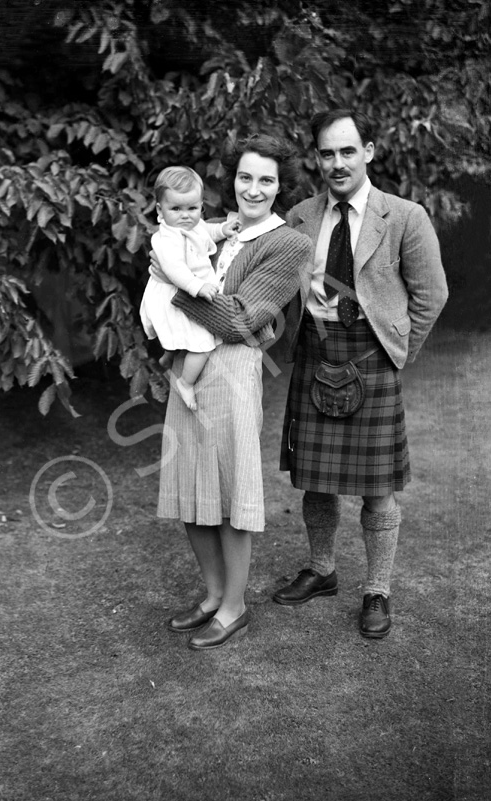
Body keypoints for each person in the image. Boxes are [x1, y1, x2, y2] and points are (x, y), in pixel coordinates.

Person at [275, 108, 449, 638]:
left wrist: (398, 351)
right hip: (316, 352)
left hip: (373, 359)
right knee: (315, 479)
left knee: (378, 488)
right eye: (326, 153)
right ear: (317, 158)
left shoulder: (404, 216)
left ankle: (377, 589)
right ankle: (322, 570)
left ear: (368, 151)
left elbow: (431, 295)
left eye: (347, 151)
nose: (337, 162)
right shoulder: (299, 216)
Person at [155, 134, 312, 650]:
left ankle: (235, 606)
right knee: (190, 488)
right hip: (189, 367)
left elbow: (244, 319)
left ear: (281, 186)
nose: (254, 188)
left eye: (266, 179)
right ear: (233, 180)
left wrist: (176, 291)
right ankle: (212, 595)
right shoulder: (209, 227)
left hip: (233, 374)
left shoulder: (289, 244)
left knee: (226, 491)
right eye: (246, 176)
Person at [140, 166, 240, 411]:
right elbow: (174, 269)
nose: (186, 215)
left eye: (192, 208)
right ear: (159, 210)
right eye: (176, 209)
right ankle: (186, 382)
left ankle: (169, 354)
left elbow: (206, 230)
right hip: (174, 294)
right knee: (203, 341)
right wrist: (197, 286)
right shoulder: (167, 238)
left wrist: (222, 230)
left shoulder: (191, 225)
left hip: (185, 291)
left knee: (183, 334)